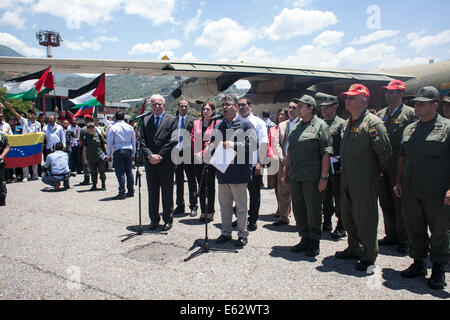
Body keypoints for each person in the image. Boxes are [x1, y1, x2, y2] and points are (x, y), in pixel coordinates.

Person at [394, 86, 449, 290]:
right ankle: (418, 263)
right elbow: (402, 157)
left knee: (440, 232)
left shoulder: (447, 128)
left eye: (421, 103)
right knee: (415, 230)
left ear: (435, 105)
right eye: (415, 103)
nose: (416, 106)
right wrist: (398, 182)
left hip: (437, 193)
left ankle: (438, 268)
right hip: (411, 190)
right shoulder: (410, 129)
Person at [336, 84, 392, 272]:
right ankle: (354, 248)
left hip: (364, 178)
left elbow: (384, 153)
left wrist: (374, 172)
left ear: (363, 101)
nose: (347, 100)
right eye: (347, 97)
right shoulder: (348, 123)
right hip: (347, 177)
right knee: (348, 213)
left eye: (351, 97)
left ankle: (369, 255)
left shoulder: (373, 123)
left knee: (365, 216)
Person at [281, 95, 333, 257]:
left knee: (313, 209)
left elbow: (326, 153)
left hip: (312, 177)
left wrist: (324, 177)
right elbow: (290, 151)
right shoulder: (297, 126)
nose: (297, 109)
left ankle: (314, 241)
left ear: (310, 108)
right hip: (296, 175)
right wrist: (285, 172)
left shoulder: (320, 126)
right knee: (299, 208)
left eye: (301, 106)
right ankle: (304, 238)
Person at [210, 95, 257, 247]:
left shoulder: (245, 124)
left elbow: (254, 145)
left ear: (235, 106)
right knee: (224, 206)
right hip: (223, 172)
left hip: (239, 172)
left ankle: (242, 234)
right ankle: (226, 232)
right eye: (222, 105)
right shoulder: (219, 126)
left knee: (241, 207)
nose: (224, 107)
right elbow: (212, 146)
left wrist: (234, 144)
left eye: (228, 104)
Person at [377, 80, 416, 254]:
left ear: (401, 94)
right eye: (387, 92)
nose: (388, 95)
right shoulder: (381, 114)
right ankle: (391, 234)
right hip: (384, 164)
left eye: (392, 92)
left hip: (401, 165)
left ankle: (404, 238)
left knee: (400, 202)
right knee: (385, 201)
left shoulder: (410, 114)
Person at [140, 94, 177, 231]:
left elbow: (173, 141)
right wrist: (150, 155)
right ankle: (154, 220)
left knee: (167, 193)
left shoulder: (172, 120)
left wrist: (160, 156)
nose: (156, 106)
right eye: (154, 104)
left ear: (164, 105)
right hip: (150, 164)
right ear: (151, 105)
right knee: (153, 193)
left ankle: (168, 219)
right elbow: (142, 142)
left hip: (166, 162)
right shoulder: (145, 120)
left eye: (159, 104)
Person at [316, 93, 347, 239]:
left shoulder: (341, 124)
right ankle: (326, 221)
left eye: (327, 107)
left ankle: (341, 225)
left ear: (335, 107)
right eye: (322, 107)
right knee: (325, 194)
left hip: (337, 164)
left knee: (339, 195)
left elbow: (344, 146)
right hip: (323, 164)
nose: (323, 110)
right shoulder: (319, 123)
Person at [236, 98, 269, 231]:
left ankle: (253, 219)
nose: (241, 107)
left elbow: (263, 143)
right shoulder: (235, 121)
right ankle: (240, 219)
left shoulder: (258, 122)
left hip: (253, 164)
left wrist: (260, 163)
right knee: (239, 195)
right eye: (239, 105)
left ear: (250, 106)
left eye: (244, 105)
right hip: (237, 164)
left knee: (254, 194)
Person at [191, 101, 219, 222]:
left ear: (213, 111)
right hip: (198, 157)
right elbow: (193, 138)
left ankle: (210, 210)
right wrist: (197, 152)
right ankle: (203, 210)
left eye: (208, 109)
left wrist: (207, 149)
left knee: (210, 185)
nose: (206, 111)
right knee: (201, 185)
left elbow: (217, 139)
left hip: (211, 158)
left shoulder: (216, 123)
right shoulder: (196, 123)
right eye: (204, 109)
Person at [1, 100, 42, 181]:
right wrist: (9, 106)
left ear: (34, 115)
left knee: (34, 160)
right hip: (26, 144)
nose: (30, 115)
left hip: (34, 144)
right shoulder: (24, 121)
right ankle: (25, 176)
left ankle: (35, 175)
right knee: (25, 160)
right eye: (29, 114)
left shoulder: (38, 124)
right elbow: (15, 113)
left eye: (31, 114)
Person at [274, 103, 299, 226]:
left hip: (296, 163)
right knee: (283, 190)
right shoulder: (283, 125)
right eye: (289, 107)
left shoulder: (302, 123)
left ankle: (299, 220)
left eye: (294, 108)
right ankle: (283, 217)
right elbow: (277, 143)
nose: (291, 110)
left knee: (297, 193)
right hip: (283, 162)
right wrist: (282, 157)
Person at [174, 99, 198, 216]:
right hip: (176, 153)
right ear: (177, 107)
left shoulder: (193, 120)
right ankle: (180, 205)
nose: (184, 108)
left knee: (191, 180)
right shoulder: (172, 120)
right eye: (182, 106)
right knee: (178, 180)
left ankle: (193, 205)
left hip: (189, 153)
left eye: (186, 106)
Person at [106, 111, 136, 200]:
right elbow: (133, 141)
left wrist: (109, 154)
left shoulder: (113, 127)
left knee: (120, 172)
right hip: (128, 149)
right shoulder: (130, 127)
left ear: (115, 117)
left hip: (118, 150)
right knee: (129, 172)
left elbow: (109, 142)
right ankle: (130, 191)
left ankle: (122, 192)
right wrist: (133, 153)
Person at [267, 108, 288, 217]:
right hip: (274, 160)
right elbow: (269, 143)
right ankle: (279, 207)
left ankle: (287, 208)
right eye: (279, 115)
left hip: (285, 160)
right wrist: (270, 154)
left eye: (283, 115)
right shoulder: (272, 129)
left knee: (286, 185)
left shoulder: (288, 127)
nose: (280, 117)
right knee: (276, 186)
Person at [83, 122, 107, 191]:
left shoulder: (98, 135)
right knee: (93, 172)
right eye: (89, 128)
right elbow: (84, 149)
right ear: (87, 129)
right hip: (91, 157)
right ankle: (94, 185)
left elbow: (104, 143)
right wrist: (85, 159)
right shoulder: (86, 137)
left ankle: (103, 185)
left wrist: (106, 154)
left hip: (100, 156)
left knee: (102, 171)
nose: (91, 129)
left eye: (92, 127)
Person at [0, 131, 10, 206]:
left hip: (0, 161)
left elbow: (7, 147)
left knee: (1, 181)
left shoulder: (2, 137)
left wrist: (2, 155)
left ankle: (2, 198)